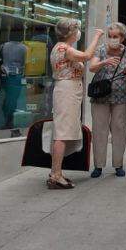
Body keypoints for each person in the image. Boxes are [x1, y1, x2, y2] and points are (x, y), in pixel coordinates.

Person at [47, 19, 103, 189]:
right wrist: (97, 37)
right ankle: (56, 174)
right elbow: (86, 56)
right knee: (62, 133)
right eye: (77, 29)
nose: (79, 31)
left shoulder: (62, 47)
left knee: (63, 131)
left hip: (68, 90)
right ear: (71, 32)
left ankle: (55, 172)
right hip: (66, 91)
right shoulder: (64, 48)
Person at [88, 23, 126, 178]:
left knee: (120, 130)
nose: (113, 39)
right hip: (100, 97)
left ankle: (118, 164)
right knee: (99, 130)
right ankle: (98, 166)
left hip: (121, 97)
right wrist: (104, 62)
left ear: (122, 37)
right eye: (110, 36)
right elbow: (92, 67)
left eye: (116, 36)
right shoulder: (100, 50)